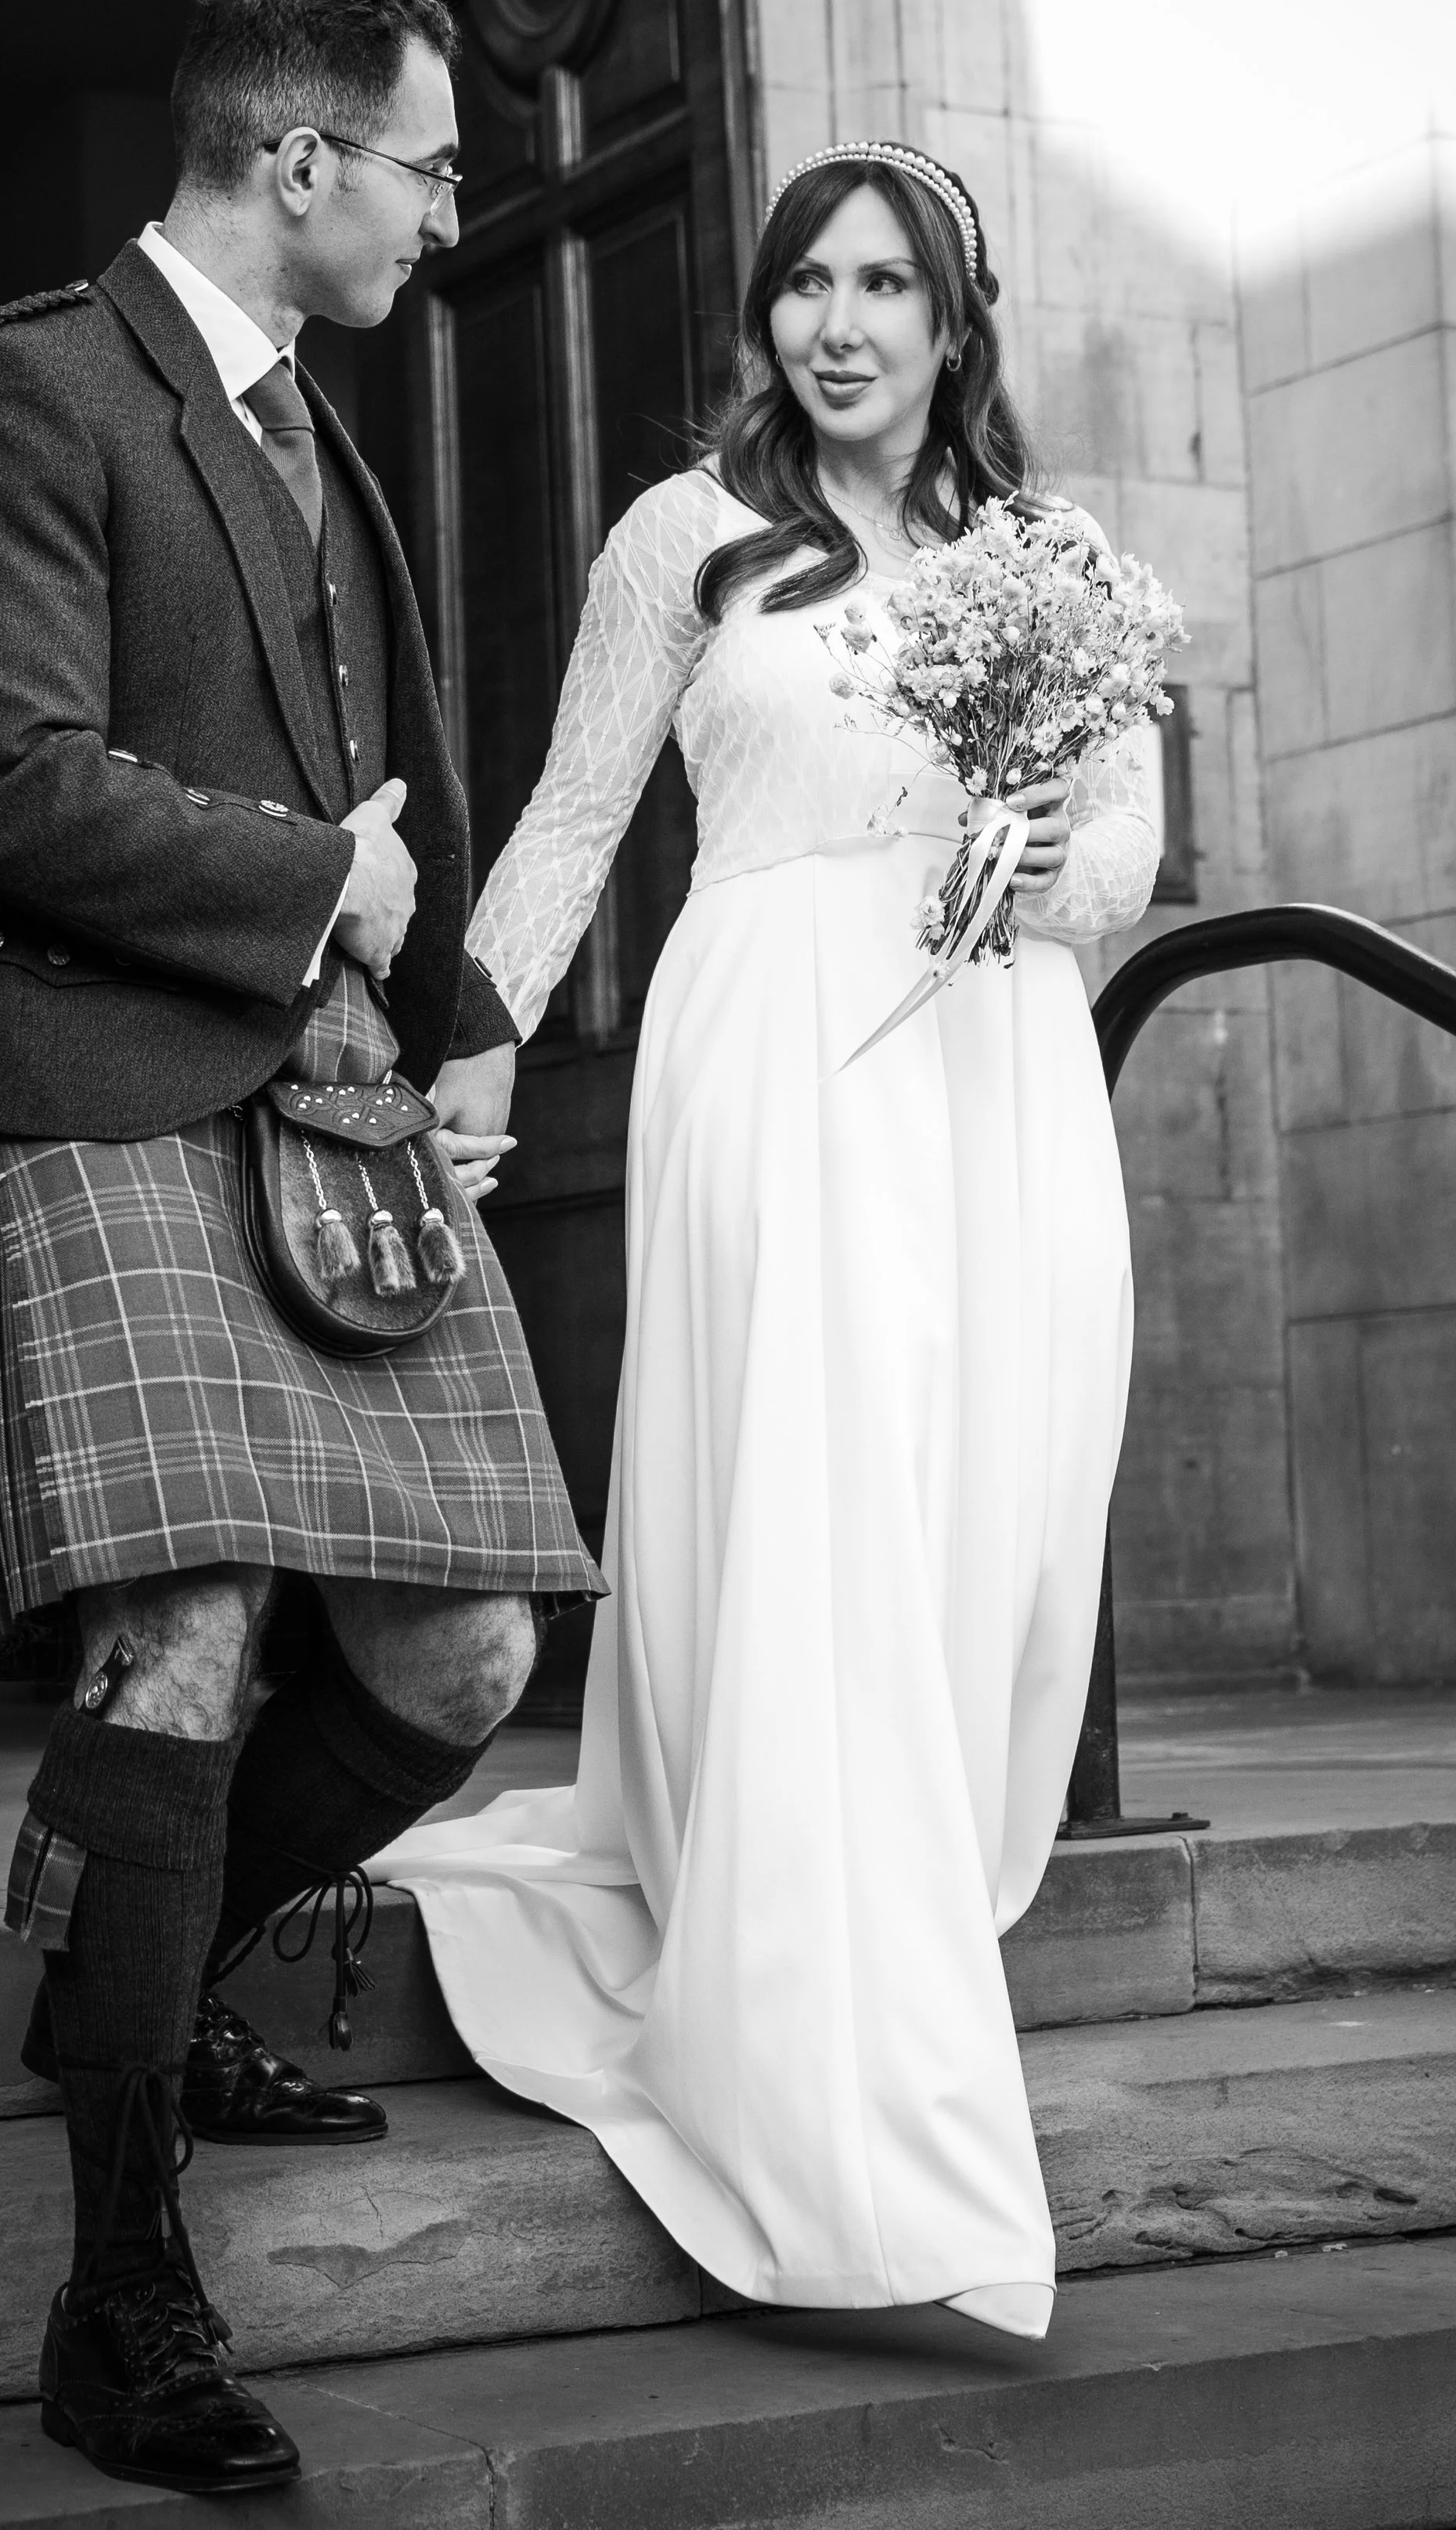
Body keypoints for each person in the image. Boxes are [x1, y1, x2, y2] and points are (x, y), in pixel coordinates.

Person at [0, 0, 600, 2494]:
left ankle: (147, 1972)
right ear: (297, 157)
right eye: (425, 164)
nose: (448, 214)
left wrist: (463, 1007)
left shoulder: (323, 439)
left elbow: (390, 810)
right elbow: (6, 775)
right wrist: (330, 894)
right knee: (181, 1636)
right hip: (89, 1088)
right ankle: (119, 2289)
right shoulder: (25, 388)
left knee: (464, 1646)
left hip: (327, 1100)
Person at [381, 142, 1164, 2340]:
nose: (838, 323)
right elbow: (571, 816)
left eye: (884, 284)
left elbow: (1127, 847)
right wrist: (471, 1045)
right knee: (813, 1505)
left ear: (952, 319)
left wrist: (1054, 861)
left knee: (972, 1521)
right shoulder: (684, 535)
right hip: (771, 1061)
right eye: (805, 283)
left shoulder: (1049, 560)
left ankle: (898, 1903)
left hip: (988, 1072)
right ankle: (847, 2066)